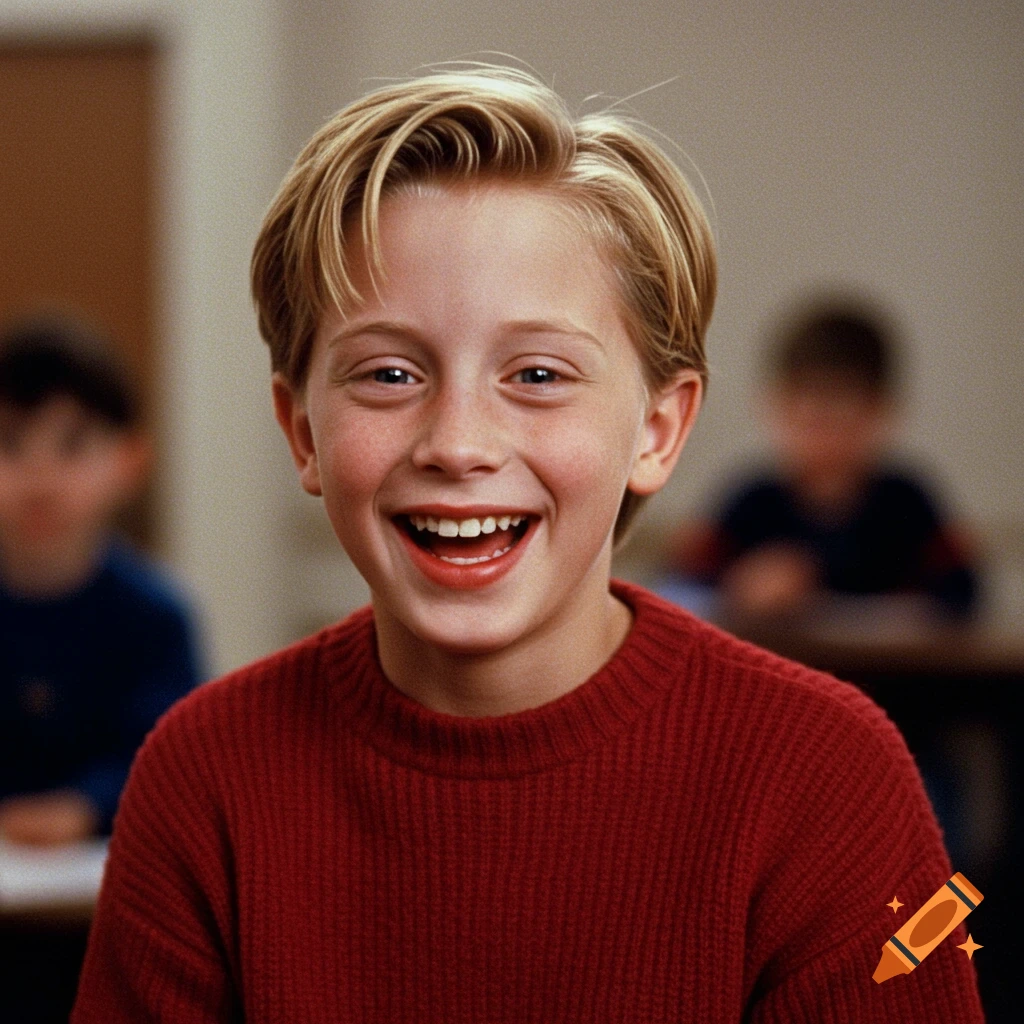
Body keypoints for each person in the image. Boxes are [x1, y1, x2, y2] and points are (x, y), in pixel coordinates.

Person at [72, 68, 984, 1021]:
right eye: (388, 373)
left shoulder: (831, 781)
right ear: (302, 430)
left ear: (657, 431)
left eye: (539, 374)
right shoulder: (203, 780)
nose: (459, 443)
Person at [0, 315, 203, 846]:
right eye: (11, 443)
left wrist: (86, 806)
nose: (40, 476)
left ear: (130, 460)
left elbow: (172, 761)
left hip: (100, 884)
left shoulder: (154, 616)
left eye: (72, 445)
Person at [670, 298, 979, 618]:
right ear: (774, 406)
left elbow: (965, 597)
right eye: (808, 415)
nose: (822, 432)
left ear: (880, 411)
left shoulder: (908, 504)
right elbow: (673, 590)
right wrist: (739, 590)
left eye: (839, 413)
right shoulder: (751, 502)